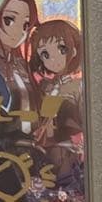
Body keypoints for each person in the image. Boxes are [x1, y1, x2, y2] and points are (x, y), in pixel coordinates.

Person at [0, 0, 45, 167]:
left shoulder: (21, 65)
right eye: (9, 20)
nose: (19, 31)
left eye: (25, 25)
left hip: (30, 152)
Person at [29, 19, 84, 183]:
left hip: (73, 149)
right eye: (45, 54)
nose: (54, 59)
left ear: (74, 49)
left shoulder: (78, 86)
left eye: (62, 49)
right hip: (46, 147)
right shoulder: (47, 87)